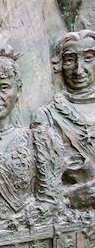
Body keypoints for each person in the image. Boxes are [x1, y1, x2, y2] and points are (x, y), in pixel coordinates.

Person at [0, 46, 66, 229]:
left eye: (4, 87)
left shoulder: (40, 140)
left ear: (18, 90)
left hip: (35, 234)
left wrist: (21, 220)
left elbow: (52, 200)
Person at [33, 30, 95, 210]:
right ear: (59, 64)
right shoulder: (47, 116)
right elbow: (43, 189)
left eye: (89, 58)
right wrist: (72, 197)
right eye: (70, 60)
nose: (79, 70)